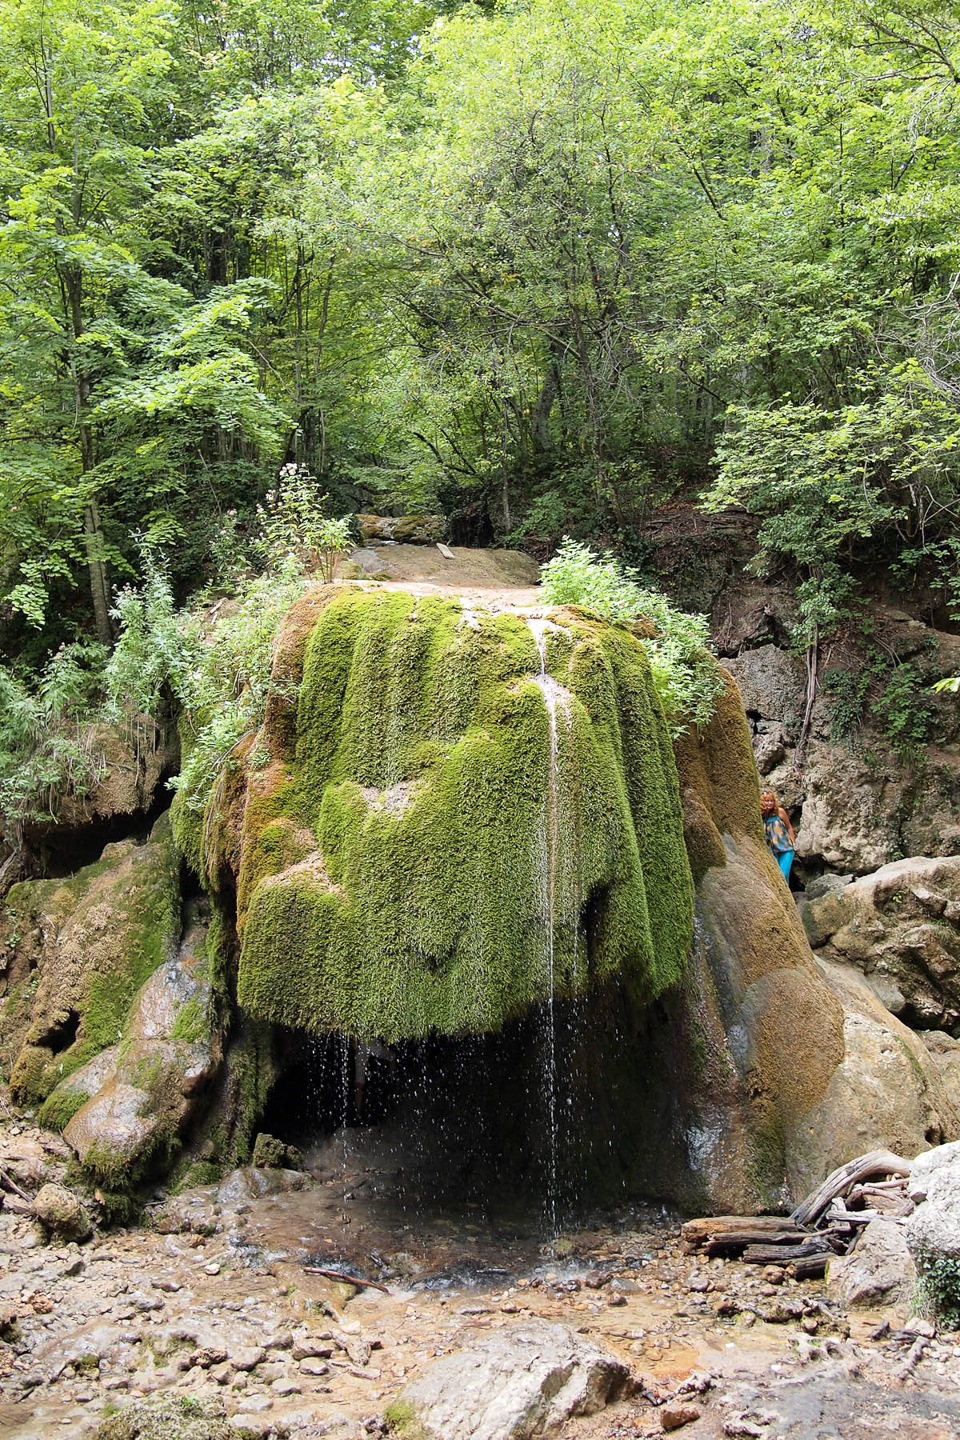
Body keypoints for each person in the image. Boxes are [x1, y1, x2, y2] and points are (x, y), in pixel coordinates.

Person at [761, 788, 796, 883]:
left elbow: (789, 827)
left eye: (771, 801)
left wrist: (793, 842)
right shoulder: (760, 815)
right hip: (771, 850)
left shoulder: (780, 812)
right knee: (776, 877)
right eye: (767, 801)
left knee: (783, 874)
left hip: (786, 849)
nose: (769, 803)